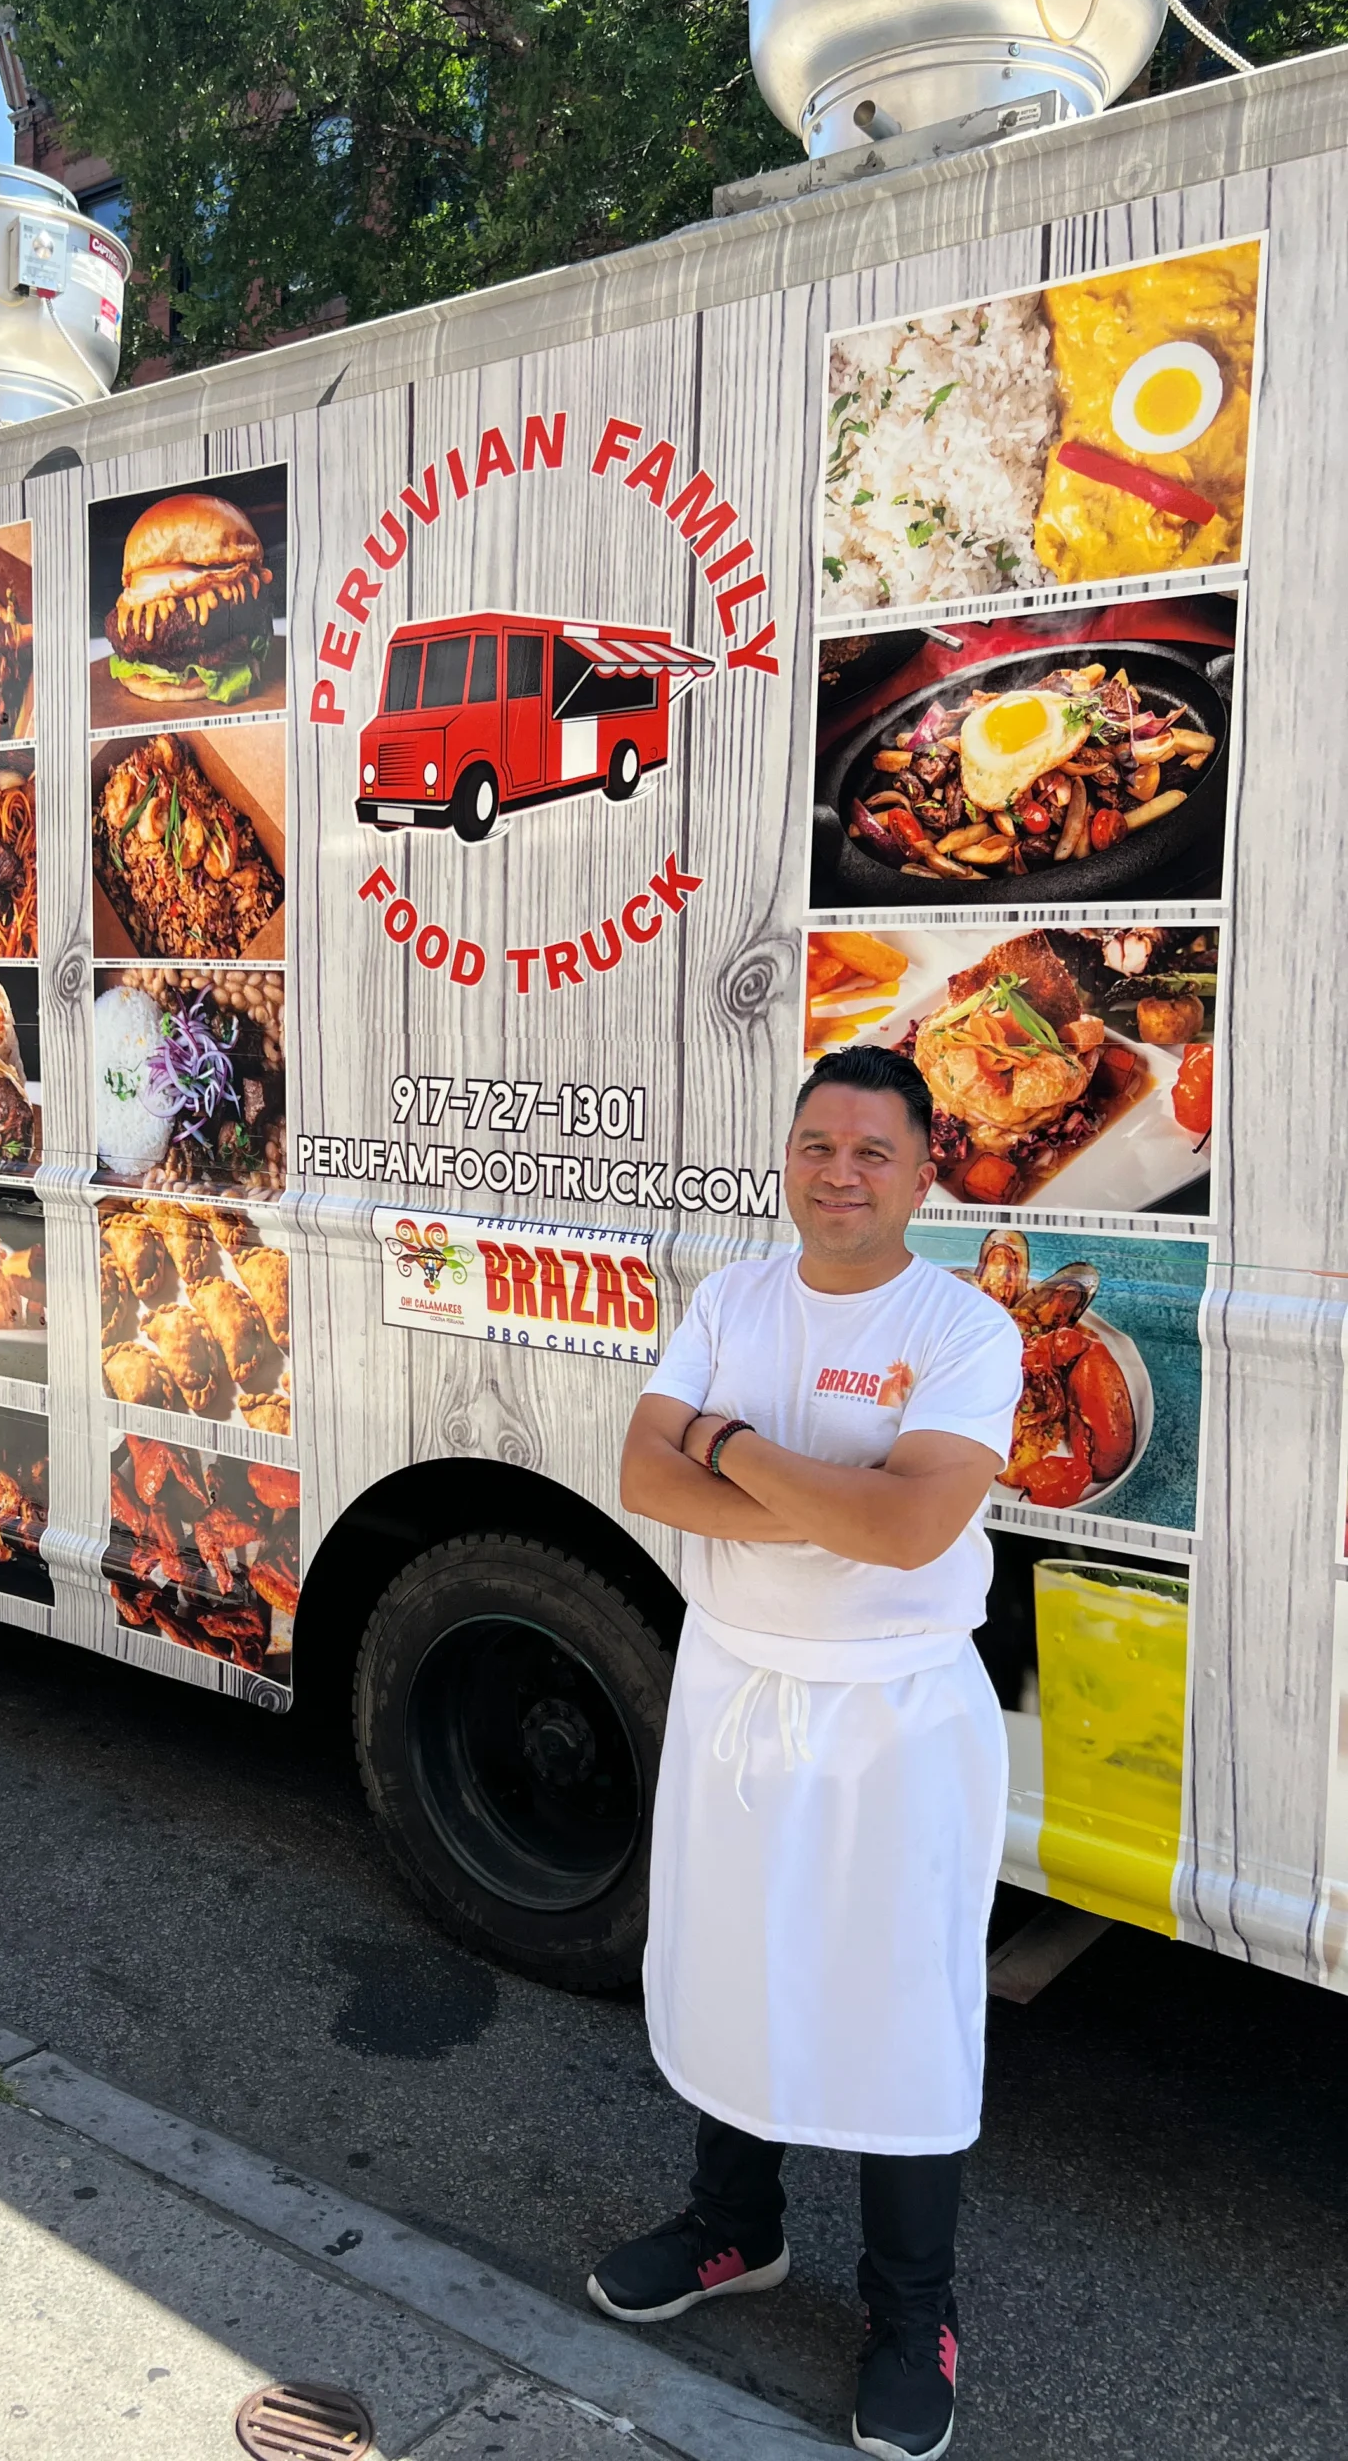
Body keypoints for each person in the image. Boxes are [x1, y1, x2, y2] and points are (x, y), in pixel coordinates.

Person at [590, 1045, 1024, 2461]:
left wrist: (731, 1446)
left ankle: (914, 2314)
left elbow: (908, 1534)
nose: (840, 1172)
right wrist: (833, 1492)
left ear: (920, 1172)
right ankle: (737, 2231)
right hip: (736, 1692)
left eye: (872, 1151)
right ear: (789, 1156)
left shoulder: (964, 1331)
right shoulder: (733, 1296)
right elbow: (644, 1478)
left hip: (893, 1718)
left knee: (898, 2008)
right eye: (817, 1145)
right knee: (733, 1968)